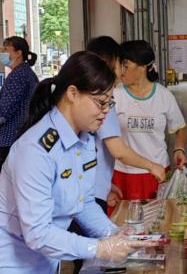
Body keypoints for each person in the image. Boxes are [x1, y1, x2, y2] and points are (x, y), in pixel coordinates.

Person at [0, 51, 150, 272]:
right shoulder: (35, 150)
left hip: (48, 260)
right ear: (72, 93)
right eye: (101, 103)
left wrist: (114, 233)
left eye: (110, 103)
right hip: (13, 263)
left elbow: (83, 202)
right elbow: (38, 233)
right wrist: (99, 248)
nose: (106, 112)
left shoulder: (85, 139)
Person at [85, 36, 166, 209]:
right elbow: (118, 150)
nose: (122, 69)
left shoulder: (99, 96)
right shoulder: (101, 99)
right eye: (120, 63)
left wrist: (105, 184)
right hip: (89, 192)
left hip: (92, 186)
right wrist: (152, 166)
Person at [112, 40, 187, 200]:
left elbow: (180, 126)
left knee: (157, 221)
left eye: (125, 65)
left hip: (157, 172)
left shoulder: (163, 95)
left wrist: (179, 149)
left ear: (142, 66)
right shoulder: (115, 95)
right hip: (124, 172)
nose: (121, 71)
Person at [0, 36, 38, 169]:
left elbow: (4, 110)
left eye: (6, 49)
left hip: (10, 138)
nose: (2, 52)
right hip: (19, 136)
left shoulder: (18, 75)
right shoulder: (25, 72)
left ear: (18, 53)